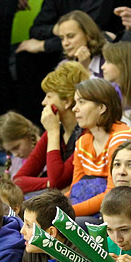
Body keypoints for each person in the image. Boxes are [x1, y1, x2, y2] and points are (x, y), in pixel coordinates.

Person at [13, 62, 89, 195]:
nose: (43, 102)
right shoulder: (53, 132)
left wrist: (53, 132)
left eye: (49, 96)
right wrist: (48, 183)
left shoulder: (86, 134)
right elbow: (17, 180)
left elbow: (58, 180)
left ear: (67, 101)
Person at [69, 78, 131, 218]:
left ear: (102, 108)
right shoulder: (82, 142)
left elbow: (113, 193)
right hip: (89, 209)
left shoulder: (121, 139)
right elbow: (75, 189)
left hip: (118, 209)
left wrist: (67, 213)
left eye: (81, 102)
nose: (74, 108)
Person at [56, 11, 107, 79]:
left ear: (88, 35)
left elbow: (108, 89)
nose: (65, 43)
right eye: (62, 38)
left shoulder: (109, 62)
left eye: (71, 36)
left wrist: (86, 69)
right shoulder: (63, 66)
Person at [0, 111, 41, 178]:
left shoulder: (49, 157)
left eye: (16, 147)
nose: (15, 154)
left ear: (27, 135)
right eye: (10, 151)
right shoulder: (15, 162)